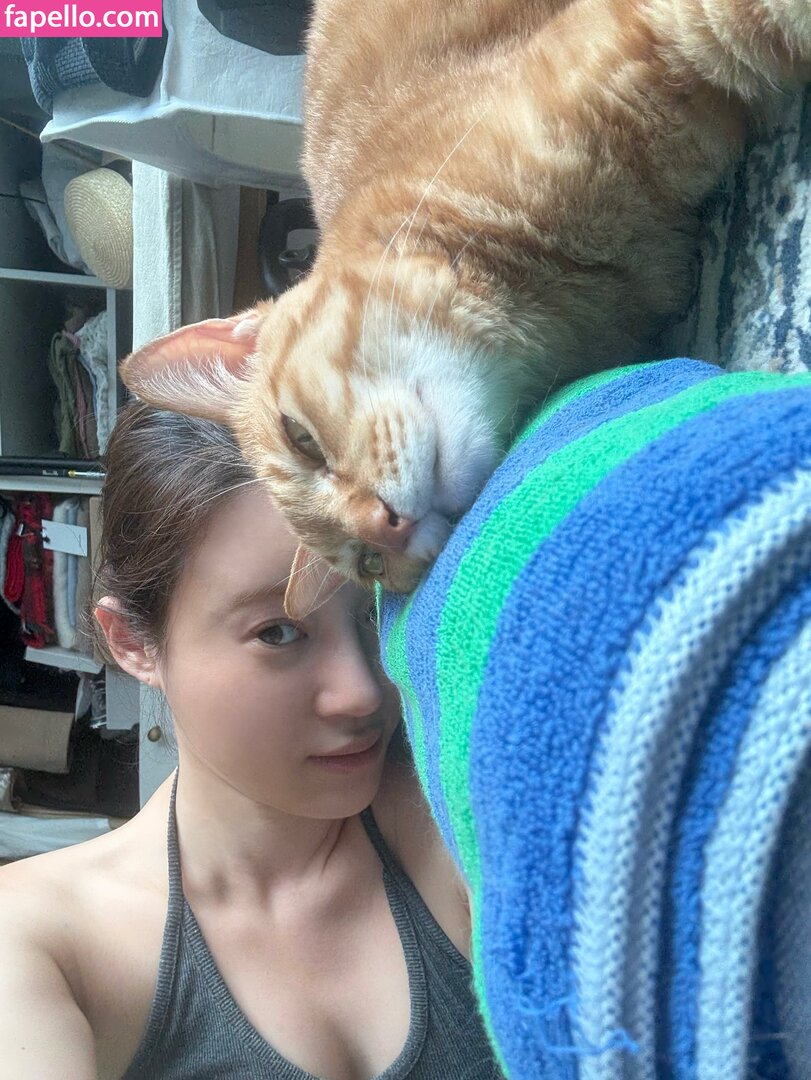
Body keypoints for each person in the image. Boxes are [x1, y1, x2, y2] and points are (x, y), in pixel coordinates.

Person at [0, 403, 503, 1080]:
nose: (361, 690)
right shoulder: (42, 941)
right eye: (277, 632)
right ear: (134, 642)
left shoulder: (452, 816)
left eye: (374, 607)